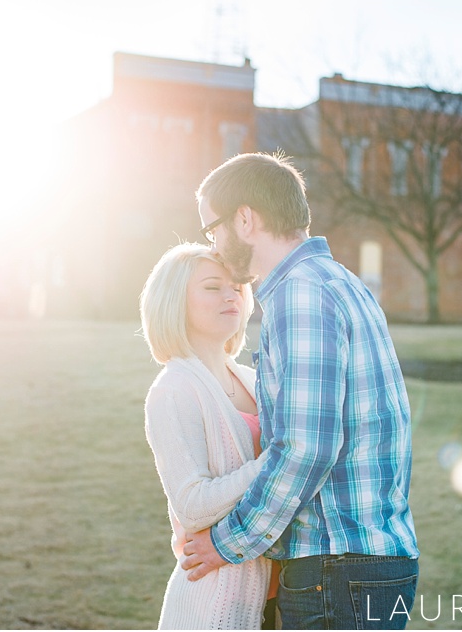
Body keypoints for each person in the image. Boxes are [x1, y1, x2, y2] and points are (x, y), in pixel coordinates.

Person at [182, 152, 420, 629]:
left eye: (213, 230)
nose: (213, 244)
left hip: (336, 569)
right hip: (364, 563)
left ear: (245, 219)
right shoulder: (339, 281)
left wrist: (227, 542)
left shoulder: (301, 294)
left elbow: (308, 448)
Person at [140, 242, 278, 629]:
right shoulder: (173, 390)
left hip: (287, 595)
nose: (231, 294)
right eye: (212, 287)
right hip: (218, 599)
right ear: (174, 301)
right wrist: (278, 460)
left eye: (236, 285)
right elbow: (193, 506)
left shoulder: (253, 380)